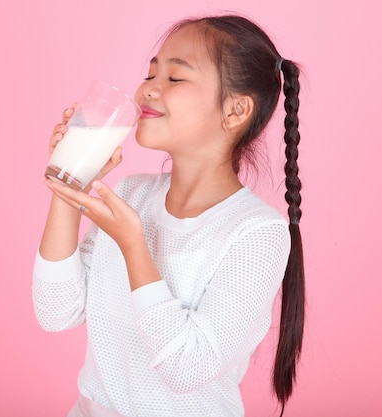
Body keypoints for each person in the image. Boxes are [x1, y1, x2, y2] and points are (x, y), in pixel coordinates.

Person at [33, 14, 305, 417]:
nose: (147, 91)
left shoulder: (257, 233)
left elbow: (187, 367)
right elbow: (56, 311)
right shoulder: (130, 194)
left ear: (234, 110)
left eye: (175, 79)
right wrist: (70, 182)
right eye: (150, 74)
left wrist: (133, 245)